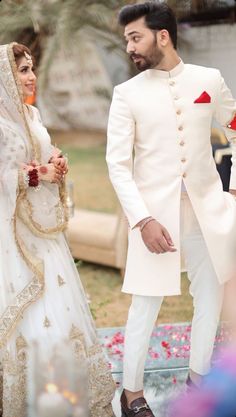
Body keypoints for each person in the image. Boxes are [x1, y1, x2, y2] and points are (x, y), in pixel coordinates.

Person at [106, 2, 236, 417]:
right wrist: (141, 219)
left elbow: (234, 126)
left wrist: (233, 189)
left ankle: (197, 383)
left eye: (135, 36)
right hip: (153, 216)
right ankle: (131, 396)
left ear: (163, 35)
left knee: (210, 298)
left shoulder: (208, 80)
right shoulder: (127, 93)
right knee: (145, 304)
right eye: (127, 38)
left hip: (208, 212)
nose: (129, 46)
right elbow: (117, 165)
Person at [0, 42, 115, 417]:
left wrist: (56, 162)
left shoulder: (31, 114)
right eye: (22, 70)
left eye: (32, 68)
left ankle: (66, 399)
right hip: (15, 238)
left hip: (46, 235)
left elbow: (43, 153)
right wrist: (36, 174)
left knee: (59, 309)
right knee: (32, 315)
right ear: (4, 76)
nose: (31, 76)